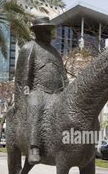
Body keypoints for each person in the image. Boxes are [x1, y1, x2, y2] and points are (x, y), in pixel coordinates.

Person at [15, 16, 68, 165]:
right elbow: (23, 75)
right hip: (39, 91)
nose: (49, 34)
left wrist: (69, 91)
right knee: (35, 104)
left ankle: (84, 145)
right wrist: (24, 98)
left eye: (50, 31)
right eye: (45, 31)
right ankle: (34, 147)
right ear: (38, 32)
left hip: (57, 93)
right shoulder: (29, 47)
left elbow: (63, 75)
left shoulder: (55, 52)